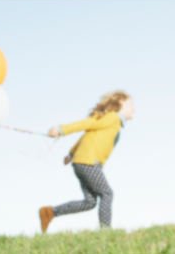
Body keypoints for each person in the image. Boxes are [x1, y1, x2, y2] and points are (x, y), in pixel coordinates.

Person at [39, 90, 135, 233]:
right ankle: (106, 232)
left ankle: (50, 212)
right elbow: (87, 124)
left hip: (82, 162)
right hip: (88, 163)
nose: (134, 108)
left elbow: (88, 134)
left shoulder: (113, 123)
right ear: (121, 103)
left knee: (90, 202)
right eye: (131, 104)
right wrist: (61, 129)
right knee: (107, 194)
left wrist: (71, 153)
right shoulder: (112, 118)